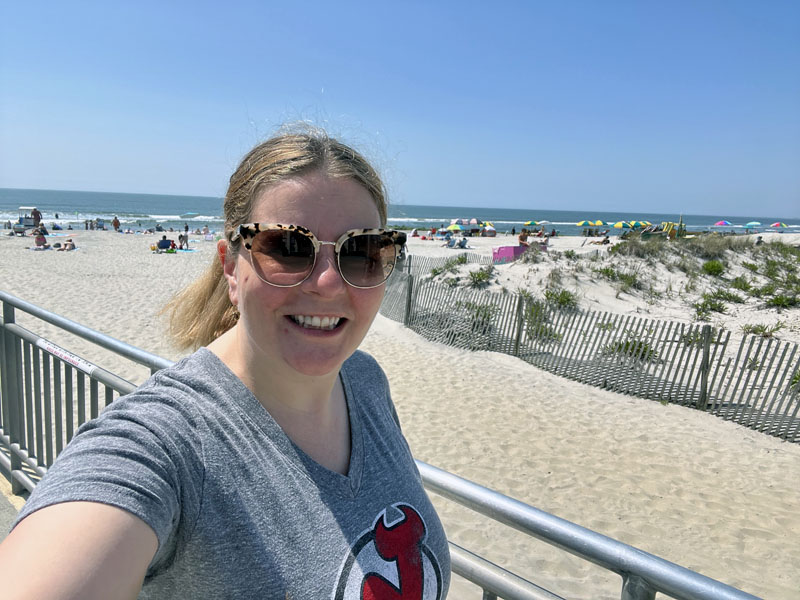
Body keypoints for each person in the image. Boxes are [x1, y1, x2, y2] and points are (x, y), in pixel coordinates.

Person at [0, 129, 451, 598]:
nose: (328, 283)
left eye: (360, 252)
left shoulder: (365, 381)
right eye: (288, 247)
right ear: (230, 268)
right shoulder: (167, 444)